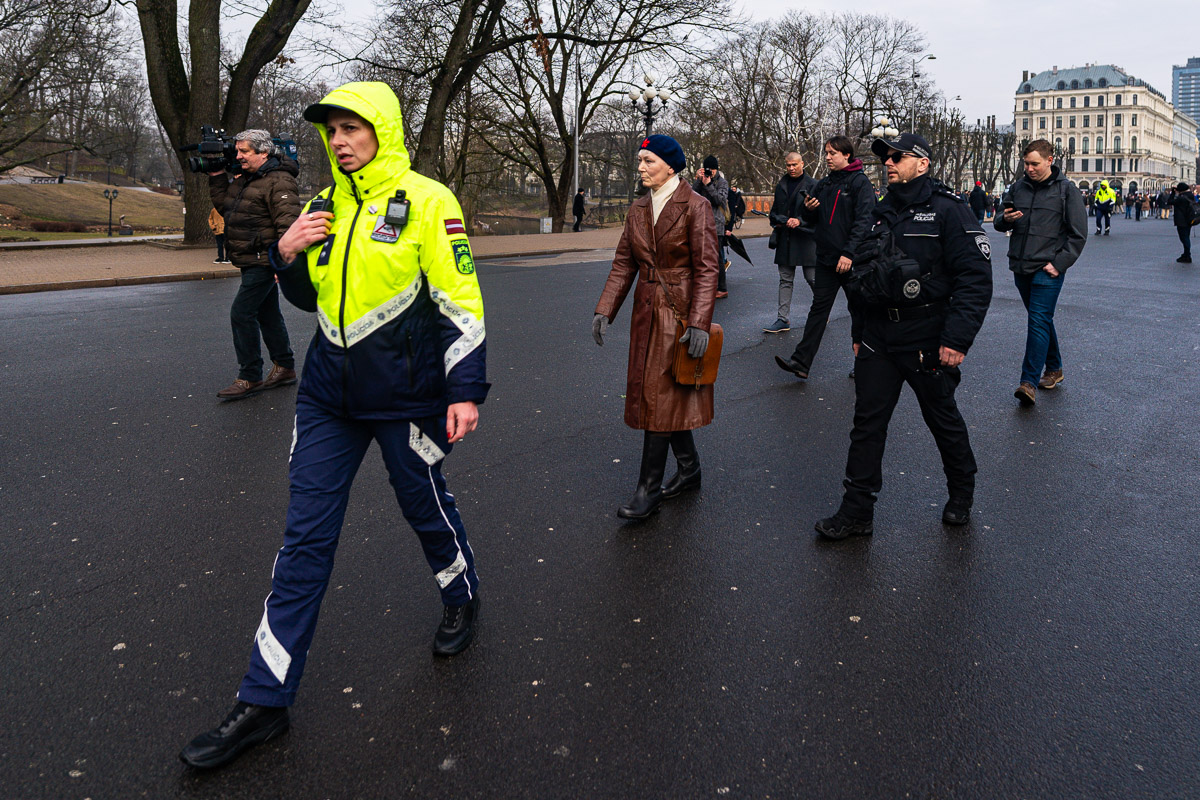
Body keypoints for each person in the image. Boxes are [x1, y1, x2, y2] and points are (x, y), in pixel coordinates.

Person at [180, 82, 489, 770]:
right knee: (303, 542)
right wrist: (285, 256)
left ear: (382, 130)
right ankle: (265, 700)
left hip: (407, 399)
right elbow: (308, 298)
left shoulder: (430, 202)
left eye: (355, 128)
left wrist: (465, 389)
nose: (342, 140)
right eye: (334, 130)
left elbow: (460, 300)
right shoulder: (320, 205)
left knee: (424, 507)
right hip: (327, 399)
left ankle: (461, 594)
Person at [814, 132, 992, 539]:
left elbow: (975, 279)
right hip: (879, 334)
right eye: (886, 158)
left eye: (898, 157)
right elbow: (861, 274)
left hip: (927, 336)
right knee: (867, 423)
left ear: (923, 164)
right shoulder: (879, 211)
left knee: (942, 418)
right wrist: (858, 331)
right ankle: (857, 510)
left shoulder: (950, 211)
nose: (889, 163)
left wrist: (956, 340)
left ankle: (961, 492)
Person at [593, 134, 719, 520]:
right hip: (646, 312)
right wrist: (605, 309)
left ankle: (647, 489)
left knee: (659, 394)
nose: (641, 167)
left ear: (670, 165)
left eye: (648, 161)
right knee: (664, 393)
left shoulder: (696, 206)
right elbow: (623, 263)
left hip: (677, 311)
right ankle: (690, 469)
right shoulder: (637, 209)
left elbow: (707, 268)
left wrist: (699, 323)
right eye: (641, 160)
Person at [993, 139, 1087, 406]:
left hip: (1048, 268)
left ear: (1049, 160)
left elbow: (1078, 234)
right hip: (1020, 265)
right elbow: (1000, 219)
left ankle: (1028, 382)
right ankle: (1055, 368)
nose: (1029, 169)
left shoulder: (1066, 190)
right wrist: (1005, 219)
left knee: (1037, 321)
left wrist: (1059, 263)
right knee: (1041, 320)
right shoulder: (1017, 188)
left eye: (1034, 164)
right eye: (1026, 163)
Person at [774, 135, 875, 380]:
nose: (827, 157)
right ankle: (801, 362)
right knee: (818, 311)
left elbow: (864, 222)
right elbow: (811, 219)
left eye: (832, 153)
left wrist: (849, 253)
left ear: (846, 155)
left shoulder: (860, 183)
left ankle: (865, 363)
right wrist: (809, 210)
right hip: (827, 259)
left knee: (860, 312)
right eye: (826, 153)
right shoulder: (825, 184)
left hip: (852, 262)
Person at [209, 130, 300, 399]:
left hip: (265, 259)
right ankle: (285, 367)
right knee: (267, 314)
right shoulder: (247, 179)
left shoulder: (280, 181)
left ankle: (249, 376)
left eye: (244, 152)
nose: (238, 157)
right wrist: (216, 177)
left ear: (263, 152)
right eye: (237, 151)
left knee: (241, 312)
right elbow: (226, 206)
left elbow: (288, 223)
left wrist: (283, 264)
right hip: (250, 257)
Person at [764, 151, 817, 334]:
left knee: (812, 278)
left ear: (803, 164)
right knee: (785, 280)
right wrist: (783, 219)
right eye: (788, 165)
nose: (791, 168)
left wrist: (800, 220)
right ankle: (782, 319)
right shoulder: (781, 185)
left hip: (807, 239)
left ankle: (821, 312)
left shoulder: (813, 185)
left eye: (795, 164)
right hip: (786, 238)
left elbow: (820, 216)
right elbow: (773, 214)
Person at [693, 155, 730, 298]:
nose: (710, 172)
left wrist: (708, 185)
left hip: (716, 225)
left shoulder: (722, 183)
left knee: (717, 258)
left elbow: (719, 200)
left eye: (713, 169)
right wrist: (698, 180)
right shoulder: (702, 181)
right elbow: (692, 195)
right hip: (701, 223)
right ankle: (705, 286)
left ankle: (722, 288)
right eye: (708, 169)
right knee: (701, 257)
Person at [1172, 182, 1195, 263]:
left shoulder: (1181, 198)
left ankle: (1187, 255)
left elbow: (1170, 201)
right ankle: (1186, 254)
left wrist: (1173, 193)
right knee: (1186, 237)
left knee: (1184, 238)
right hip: (1189, 219)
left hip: (1182, 220)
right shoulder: (1190, 195)